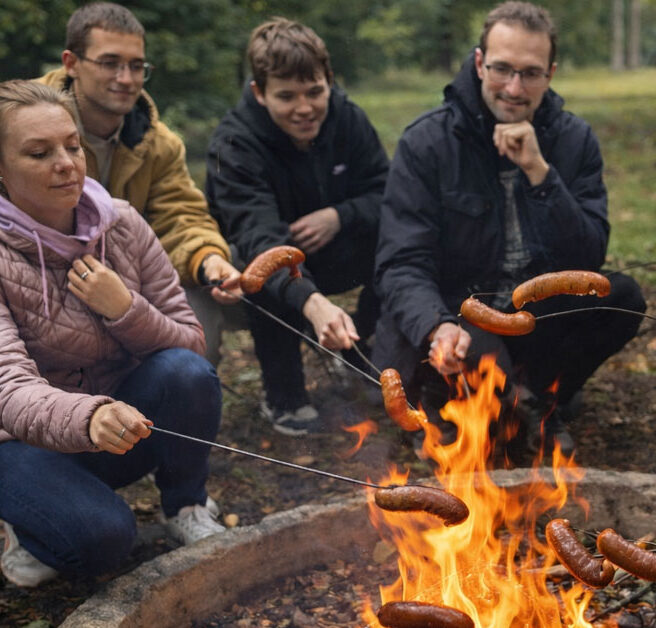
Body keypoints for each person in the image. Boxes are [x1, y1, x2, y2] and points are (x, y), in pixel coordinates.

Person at [374, 1, 645, 458]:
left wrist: (541, 174)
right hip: (458, 315)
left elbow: (587, 258)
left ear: (550, 74)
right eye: (502, 69)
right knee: (492, 422)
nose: (515, 88)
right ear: (480, 63)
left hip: (533, 317)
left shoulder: (574, 140)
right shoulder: (426, 143)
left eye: (531, 73)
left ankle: (537, 398)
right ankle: (497, 404)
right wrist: (437, 326)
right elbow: (401, 262)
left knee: (621, 297)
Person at [0, 80, 224, 588]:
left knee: (186, 371)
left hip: (113, 430)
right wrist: (90, 415)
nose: (66, 163)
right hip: (19, 443)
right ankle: (23, 525)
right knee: (104, 540)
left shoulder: (121, 222)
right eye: (39, 153)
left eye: (72, 146)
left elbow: (192, 346)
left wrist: (126, 309)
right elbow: (8, 388)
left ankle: (186, 505)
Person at [206, 18, 390, 436]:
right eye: (286, 96)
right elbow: (258, 237)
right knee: (262, 267)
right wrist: (312, 301)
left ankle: (360, 346)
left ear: (329, 81)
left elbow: (388, 191)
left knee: (397, 241)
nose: (304, 108)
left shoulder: (348, 118)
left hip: (336, 248)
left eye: (314, 92)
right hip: (258, 264)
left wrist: (340, 215)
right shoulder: (234, 144)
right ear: (259, 92)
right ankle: (284, 394)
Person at [39, 2, 243, 366]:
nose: (126, 78)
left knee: (196, 336)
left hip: (128, 281)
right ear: (71, 63)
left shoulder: (159, 143)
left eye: (136, 66)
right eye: (110, 63)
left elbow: (180, 216)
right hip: (36, 279)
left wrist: (208, 259)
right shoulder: (20, 121)